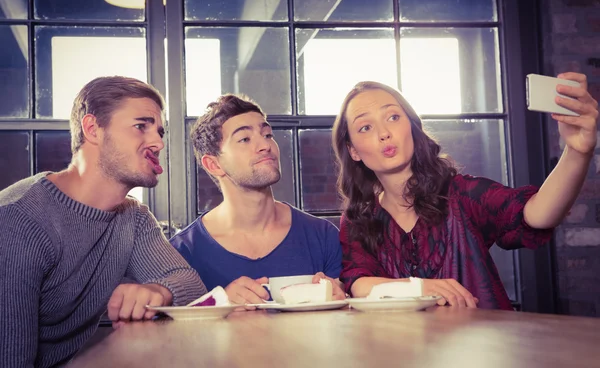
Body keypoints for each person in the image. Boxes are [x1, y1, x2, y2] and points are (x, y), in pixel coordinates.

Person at [332, 73, 598, 310]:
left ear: (412, 127)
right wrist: (420, 288)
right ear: (353, 149)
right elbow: (359, 285)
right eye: (365, 127)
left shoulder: (462, 193)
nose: (384, 133)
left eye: (393, 117)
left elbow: (539, 214)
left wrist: (577, 151)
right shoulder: (358, 219)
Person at [0, 76, 207, 368]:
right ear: (92, 129)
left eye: (159, 131)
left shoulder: (133, 217)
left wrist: (159, 291)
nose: (158, 142)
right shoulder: (17, 220)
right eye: (141, 126)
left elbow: (192, 285)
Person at [170, 94, 345, 305]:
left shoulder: (323, 237)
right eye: (244, 139)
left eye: (268, 134)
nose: (265, 145)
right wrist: (219, 304)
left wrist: (340, 298)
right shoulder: (181, 253)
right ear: (214, 165)